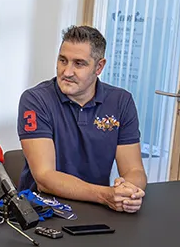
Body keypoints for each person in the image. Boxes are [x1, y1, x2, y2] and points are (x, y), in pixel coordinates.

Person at [16, 25, 146, 213]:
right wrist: (106, 195)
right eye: (63, 60)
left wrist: (129, 192)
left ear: (99, 67)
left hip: (98, 209)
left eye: (79, 64)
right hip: (44, 210)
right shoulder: (35, 100)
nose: (67, 72)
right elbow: (44, 177)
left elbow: (134, 170)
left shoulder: (121, 101)